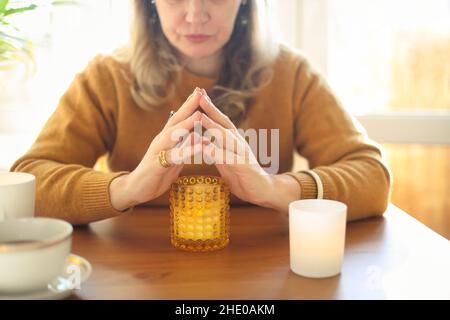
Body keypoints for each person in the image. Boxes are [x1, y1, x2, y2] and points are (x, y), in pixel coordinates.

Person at [11, 0, 392, 225]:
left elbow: (373, 177)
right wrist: (126, 188)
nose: (195, 15)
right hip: (139, 272)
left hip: (265, 272)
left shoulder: (291, 74)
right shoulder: (106, 77)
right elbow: (29, 179)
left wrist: (276, 188)